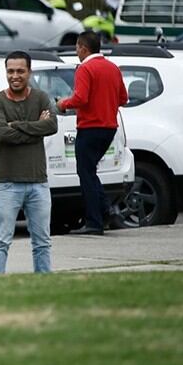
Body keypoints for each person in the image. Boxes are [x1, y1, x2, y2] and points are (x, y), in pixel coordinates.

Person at [0, 51, 58, 274]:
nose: (15, 75)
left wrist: (16, 125)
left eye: (20, 71)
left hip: (38, 182)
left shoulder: (42, 98)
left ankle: (44, 286)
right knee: (0, 242)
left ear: (29, 72)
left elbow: (52, 126)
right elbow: (2, 134)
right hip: (7, 183)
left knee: (42, 243)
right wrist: (36, 128)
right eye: (10, 71)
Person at [56, 32, 128, 235]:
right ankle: (107, 211)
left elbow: (80, 98)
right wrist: (106, 102)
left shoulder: (85, 68)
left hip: (89, 127)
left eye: (77, 48)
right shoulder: (112, 68)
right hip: (109, 127)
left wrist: (63, 103)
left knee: (85, 174)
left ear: (83, 48)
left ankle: (94, 222)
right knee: (90, 172)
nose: (76, 52)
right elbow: (124, 98)